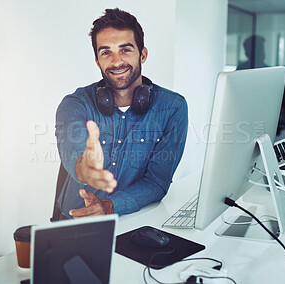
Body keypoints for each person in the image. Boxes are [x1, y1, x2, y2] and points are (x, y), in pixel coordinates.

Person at [55, 8, 188, 219]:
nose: (116, 61)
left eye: (125, 50)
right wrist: (84, 167)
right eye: (106, 52)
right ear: (97, 60)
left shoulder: (173, 108)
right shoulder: (74, 104)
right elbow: (73, 150)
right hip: (74, 222)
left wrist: (109, 206)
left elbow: (156, 182)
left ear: (142, 54)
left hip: (133, 221)